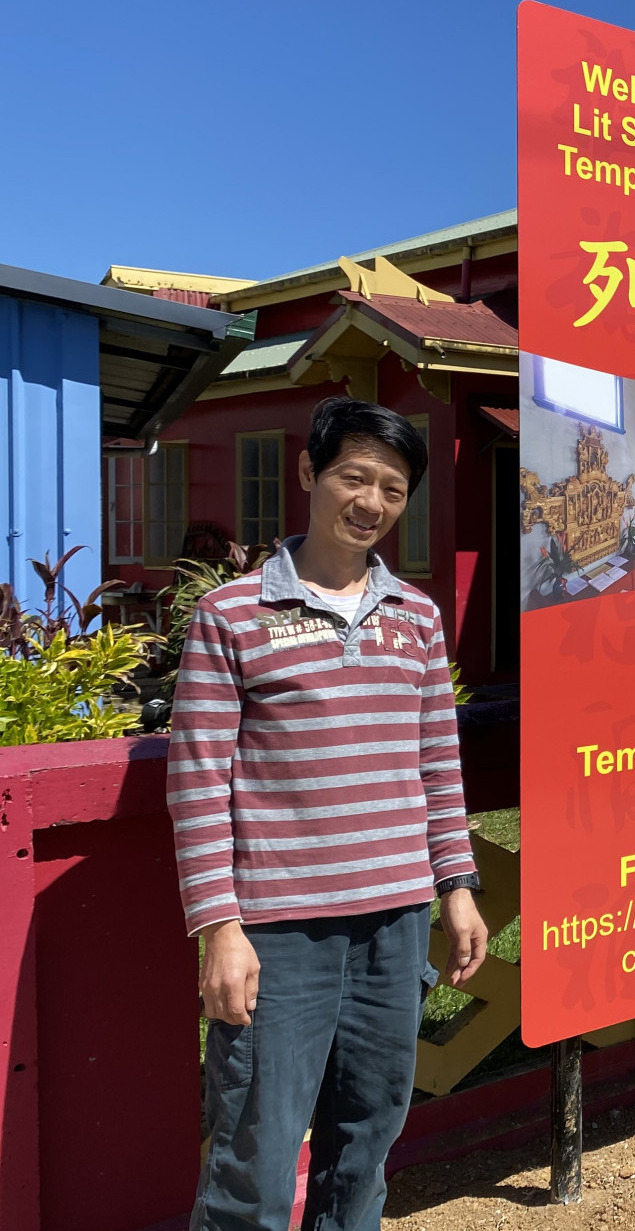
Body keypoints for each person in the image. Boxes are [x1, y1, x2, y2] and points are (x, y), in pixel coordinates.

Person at [168, 397, 488, 1230]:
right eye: (354, 476)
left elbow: (437, 764)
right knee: (256, 1163)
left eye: (392, 486)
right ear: (309, 473)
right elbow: (198, 782)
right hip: (279, 936)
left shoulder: (416, 618)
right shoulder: (231, 615)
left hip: (394, 924)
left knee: (365, 1149)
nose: (372, 501)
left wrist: (455, 884)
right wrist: (220, 929)